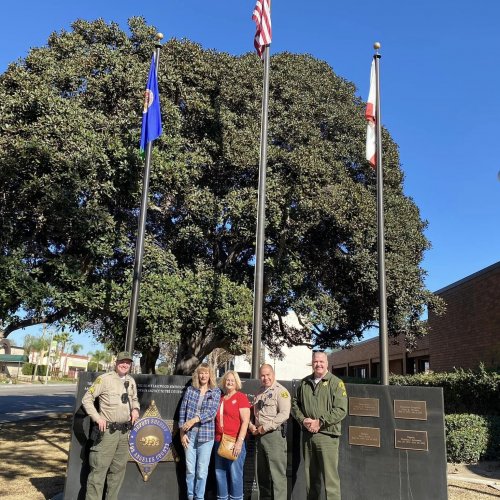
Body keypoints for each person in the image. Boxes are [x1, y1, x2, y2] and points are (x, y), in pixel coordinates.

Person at [82, 351, 140, 500]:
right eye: (122, 361)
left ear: (130, 365)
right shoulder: (104, 379)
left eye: (128, 362)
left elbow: (134, 399)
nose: (124, 364)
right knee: (98, 472)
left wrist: (135, 409)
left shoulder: (131, 381)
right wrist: (97, 418)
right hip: (107, 432)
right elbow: (87, 399)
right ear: (116, 362)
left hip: (124, 433)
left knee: (117, 472)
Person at [291, 351, 348, 500]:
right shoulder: (304, 383)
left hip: (327, 436)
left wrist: (320, 422)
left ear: (327, 363)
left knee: (331, 480)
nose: (319, 364)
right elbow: (295, 404)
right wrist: (303, 420)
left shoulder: (336, 383)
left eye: (322, 361)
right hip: (308, 436)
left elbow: (341, 409)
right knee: (311, 479)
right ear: (312, 363)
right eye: (316, 361)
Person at [179, 363, 221, 500]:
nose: (203, 376)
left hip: (206, 437)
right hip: (189, 436)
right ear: (197, 375)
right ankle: (190, 497)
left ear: (210, 375)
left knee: (201, 472)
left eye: (206, 373)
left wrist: (194, 420)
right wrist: (182, 433)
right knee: (190, 470)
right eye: (201, 373)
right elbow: (182, 411)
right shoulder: (191, 390)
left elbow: (212, 413)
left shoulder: (215, 391)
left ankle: (199, 497)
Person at [249, 364, 290, 500]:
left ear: (273, 374)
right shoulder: (260, 392)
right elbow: (255, 413)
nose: (265, 378)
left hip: (274, 437)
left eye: (268, 375)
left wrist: (265, 427)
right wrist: (252, 426)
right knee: (262, 476)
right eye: (262, 375)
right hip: (259, 437)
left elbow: (284, 414)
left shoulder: (281, 391)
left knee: (277, 476)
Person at [214, 370, 251, 500]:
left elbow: (245, 421)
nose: (229, 382)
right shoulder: (220, 398)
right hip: (219, 441)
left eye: (232, 380)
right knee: (220, 473)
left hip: (235, 442)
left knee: (235, 474)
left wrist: (239, 442)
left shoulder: (241, 397)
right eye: (228, 380)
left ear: (236, 383)